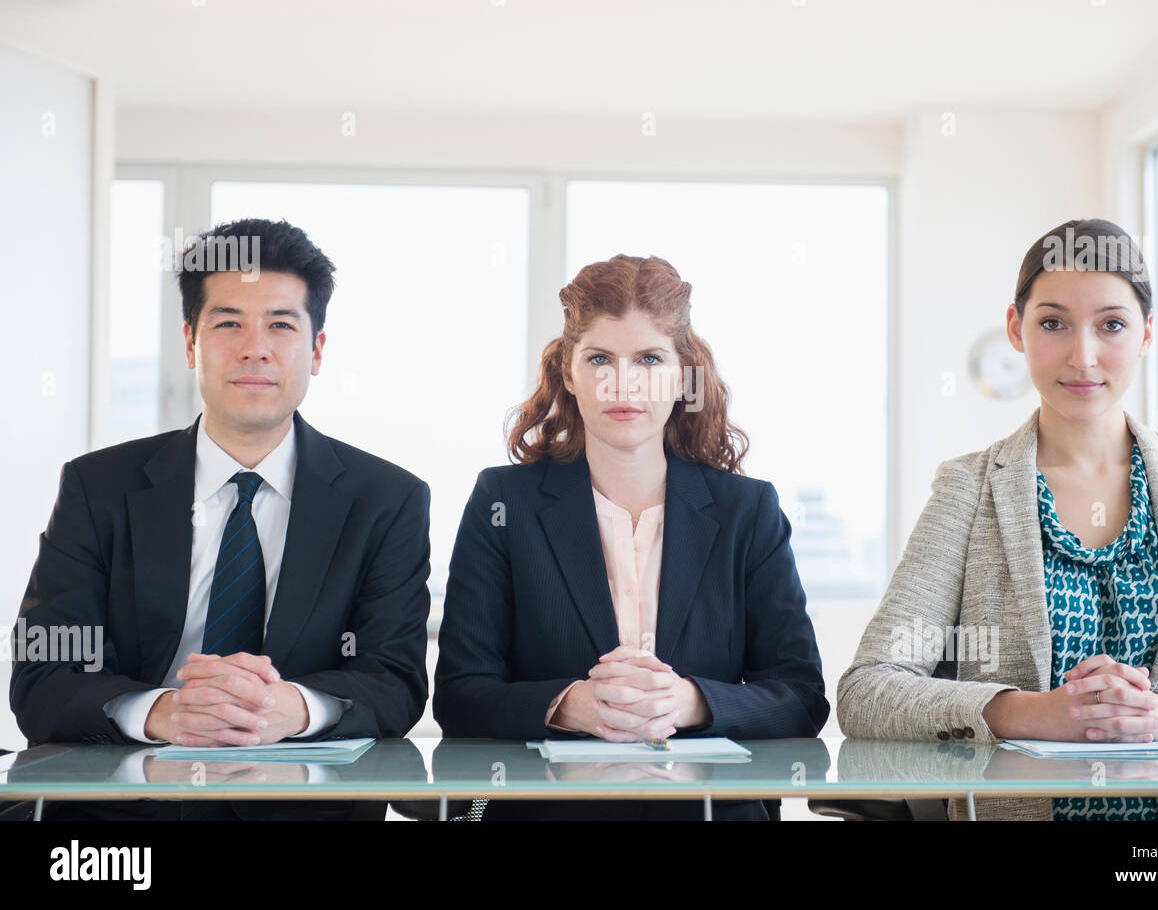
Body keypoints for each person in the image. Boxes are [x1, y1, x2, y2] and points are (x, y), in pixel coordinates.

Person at [837, 218, 1158, 821]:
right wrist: (1033, 712)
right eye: (1053, 323)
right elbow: (868, 690)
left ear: (1145, 334)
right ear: (1016, 329)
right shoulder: (968, 490)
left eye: (1111, 324)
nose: (1083, 357)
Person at [10, 218, 432, 820]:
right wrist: (163, 712)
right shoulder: (97, 487)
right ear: (190, 343)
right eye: (228, 322)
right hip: (123, 813)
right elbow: (42, 675)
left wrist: (292, 707)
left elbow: (394, 680)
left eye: (281, 325)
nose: (254, 347)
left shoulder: (387, 499)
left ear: (316, 351)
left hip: (303, 809)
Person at [433, 253, 828, 820]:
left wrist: (690, 702)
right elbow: (461, 694)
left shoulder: (748, 510)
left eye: (648, 358)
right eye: (599, 358)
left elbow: (800, 697)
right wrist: (572, 706)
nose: (624, 382)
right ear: (568, 373)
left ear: (681, 373)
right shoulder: (504, 502)